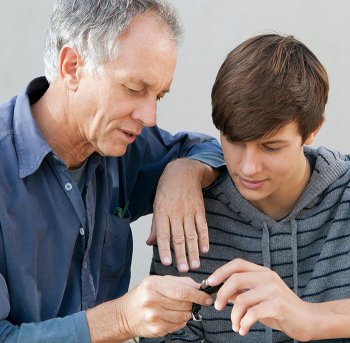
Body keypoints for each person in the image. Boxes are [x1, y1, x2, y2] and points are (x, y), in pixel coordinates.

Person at [0, 0, 226, 341]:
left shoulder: (125, 145)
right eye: (135, 89)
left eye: (159, 96)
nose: (150, 117)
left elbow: (210, 150)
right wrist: (122, 318)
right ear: (72, 67)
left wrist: (185, 171)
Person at [141, 34, 350, 342]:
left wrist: (312, 319)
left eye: (271, 147)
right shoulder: (188, 214)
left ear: (313, 129)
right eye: (234, 142)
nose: (248, 167)